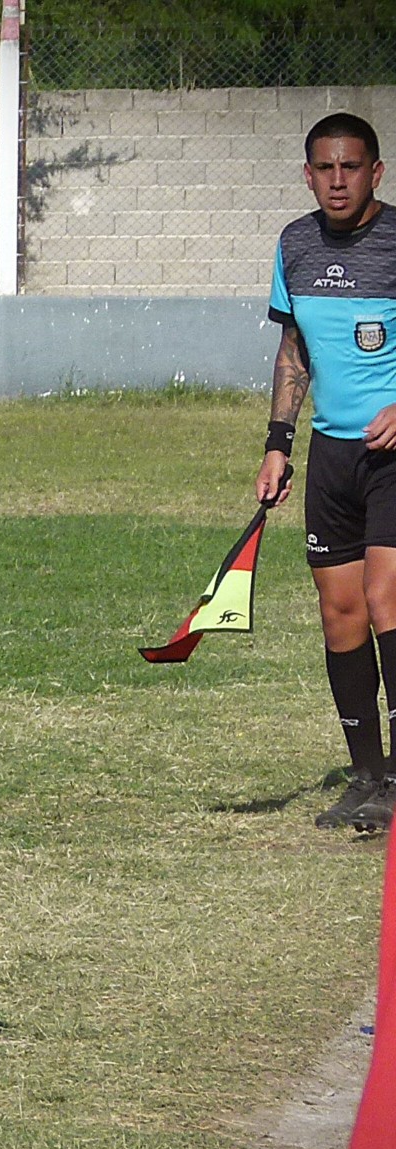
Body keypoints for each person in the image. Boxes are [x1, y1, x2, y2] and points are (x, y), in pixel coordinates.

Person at [258, 113, 396, 831]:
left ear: (376, 172)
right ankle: (368, 777)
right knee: (339, 613)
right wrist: (278, 443)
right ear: (308, 174)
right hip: (331, 457)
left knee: (384, 599)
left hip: (394, 459)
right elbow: (293, 352)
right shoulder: (295, 244)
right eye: (323, 168)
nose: (337, 179)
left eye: (351, 166)